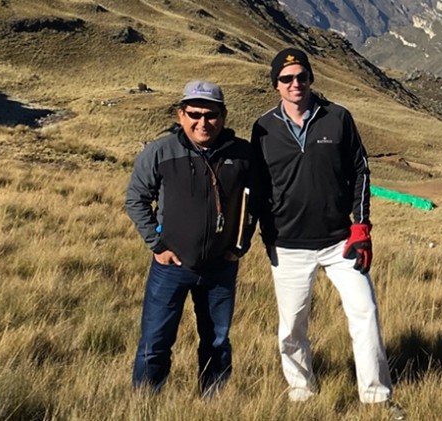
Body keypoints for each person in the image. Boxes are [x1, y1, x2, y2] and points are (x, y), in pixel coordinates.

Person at [250, 48, 405, 419]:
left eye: (301, 76)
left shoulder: (337, 118)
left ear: (310, 79)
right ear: (276, 85)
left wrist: (361, 227)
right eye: (286, 79)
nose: (295, 84)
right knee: (292, 327)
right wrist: (264, 235)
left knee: (365, 312)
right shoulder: (263, 128)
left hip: (340, 242)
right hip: (288, 246)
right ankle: (301, 392)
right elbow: (255, 186)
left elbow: (361, 172)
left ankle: (377, 396)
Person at [125, 80, 255, 395]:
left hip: (220, 269)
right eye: (194, 114)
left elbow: (256, 204)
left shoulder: (243, 155)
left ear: (223, 115)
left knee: (217, 341)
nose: (202, 122)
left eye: (210, 115)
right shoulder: (161, 151)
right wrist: (157, 245)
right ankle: (145, 405)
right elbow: (136, 200)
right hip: (170, 267)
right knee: (155, 342)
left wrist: (240, 245)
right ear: (181, 114)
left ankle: (213, 403)